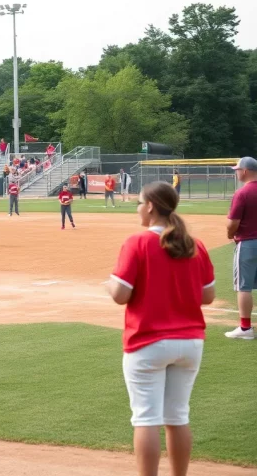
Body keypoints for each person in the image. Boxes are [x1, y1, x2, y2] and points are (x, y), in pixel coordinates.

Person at [107, 181, 215, 476]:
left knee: (146, 419)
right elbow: (207, 296)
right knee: (178, 417)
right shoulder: (195, 244)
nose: (138, 208)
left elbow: (120, 296)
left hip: (147, 341)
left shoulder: (138, 242)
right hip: (191, 341)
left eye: (140, 203)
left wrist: (109, 283)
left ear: (151, 206)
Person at [225, 156, 257, 339]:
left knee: (243, 286)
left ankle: (245, 329)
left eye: (237, 170)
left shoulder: (242, 193)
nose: (236, 172)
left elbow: (233, 224)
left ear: (245, 171)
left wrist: (231, 235)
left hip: (248, 242)